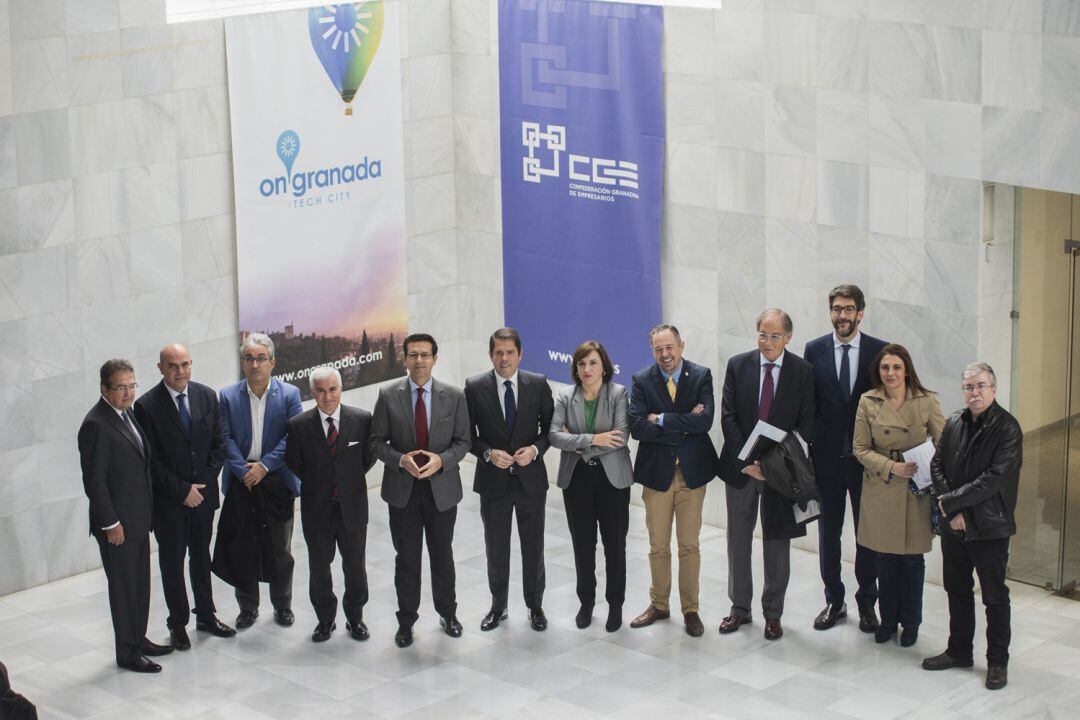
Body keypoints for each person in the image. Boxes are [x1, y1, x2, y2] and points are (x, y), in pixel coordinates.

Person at [716, 309, 814, 641]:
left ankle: (773, 614)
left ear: (788, 337)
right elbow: (728, 417)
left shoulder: (802, 371)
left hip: (779, 476)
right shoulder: (738, 364)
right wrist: (746, 462)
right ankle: (739, 609)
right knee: (738, 542)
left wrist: (777, 465)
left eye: (774, 336)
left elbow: (805, 421)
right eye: (762, 334)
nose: (767, 343)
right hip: (742, 469)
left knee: (776, 544)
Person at [924, 362, 1022, 691]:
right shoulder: (954, 421)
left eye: (980, 386)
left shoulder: (1008, 428)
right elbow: (937, 464)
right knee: (957, 590)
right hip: (955, 526)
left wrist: (952, 503)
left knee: (994, 597)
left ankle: (997, 662)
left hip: (990, 528)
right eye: (969, 387)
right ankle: (959, 651)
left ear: (994, 389)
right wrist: (951, 510)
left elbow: (993, 479)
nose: (974, 392)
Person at [369, 333, 471, 648]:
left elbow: (464, 442)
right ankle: (406, 622)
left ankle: (448, 613)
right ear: (405, 359)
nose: (419, 361)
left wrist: (443, 460)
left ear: (435, 359)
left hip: (442, 491)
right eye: (413, 355)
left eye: (425, 355)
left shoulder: (453, 396)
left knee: (443, 556)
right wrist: (401, 460)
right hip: (404, 493)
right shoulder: (388, 395)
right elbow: (375, 442)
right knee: (407, 559)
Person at [134, 344, 235, 651]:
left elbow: (219, 446)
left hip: (203, 498)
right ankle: (177, 623)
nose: (180, 371)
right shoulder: (146, 406)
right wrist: (182, 491)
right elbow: (151, 461)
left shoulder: (207, 395)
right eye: (173, 366)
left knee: (201, 557)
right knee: (172, 562)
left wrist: (200, 488)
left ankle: (206, 615)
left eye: (185, 364)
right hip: (170, 503)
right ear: (161, 368)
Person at [78, 359, 173, 672]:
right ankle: (128, 652)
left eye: (132, 385)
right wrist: (111, 523)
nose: (129, 393)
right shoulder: (96, 424)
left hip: (139, 519)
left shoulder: (127, 414)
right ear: (105, 389)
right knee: (123, 589)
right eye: (121, 387)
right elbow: (95, 482)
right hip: (118, 525)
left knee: (140, 585)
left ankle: (139, 638)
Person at [803, 284, 887, 632]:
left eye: (849, 309)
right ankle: (833, 601)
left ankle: (867, 602)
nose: (843, 315)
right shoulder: (814, 349)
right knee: (829, 535)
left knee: (866, 536)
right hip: (825, 462)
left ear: (860, 313)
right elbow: (808, 403)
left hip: (865, 462)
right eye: (837, 308)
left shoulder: (879, 351)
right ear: (831, 312)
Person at [628, 324, 717, 638]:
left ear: (682, 345)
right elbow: (638, 427)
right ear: (652, 351)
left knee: (689, 546)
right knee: (657, 546)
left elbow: (705, 421)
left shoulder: (702, 375)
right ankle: (660, 604)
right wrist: (684, 423)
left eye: (670, 348)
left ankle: (690, 610)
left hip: (691, 476)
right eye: (658, 350)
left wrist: (662, 419)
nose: (665, 355)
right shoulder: (641, 380)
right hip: (657, 476)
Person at [852, 344, 945, 647]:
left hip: (917, 488)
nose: (890, 373)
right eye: (885, 368)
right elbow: (860, 448)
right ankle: (888, 620)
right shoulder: (869, 401)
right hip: (883, 485)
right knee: (886, 558)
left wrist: (927, 468)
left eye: (896, 367)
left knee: (913, 560)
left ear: (907, 370)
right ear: (878, 371)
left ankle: (912, 622)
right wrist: (892, 466)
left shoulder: (926, 400)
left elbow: (944, 443)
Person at [464, 328, 555, 632]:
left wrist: (535, 449)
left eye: (509, 352)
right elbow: (466, 438)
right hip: (494, 483)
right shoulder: (475, 387)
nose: (504, 358)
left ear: (520, 354)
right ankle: (497, 606)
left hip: (530, 481)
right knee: (496, 547)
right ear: (491, 355)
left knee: (533, 547)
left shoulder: (538, 384)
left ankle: (535, 607)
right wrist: (489, 454)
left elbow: (550, 431)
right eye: (498, 353)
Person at [218, 333, 302, 630]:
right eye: (249, 358)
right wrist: (244, 471)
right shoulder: (227, 396)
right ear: (242, 363)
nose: (255, 364)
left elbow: (292, 436)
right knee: (244, 546)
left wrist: (264, 466)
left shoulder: (290, 394)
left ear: (272, 362)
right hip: (242, 481)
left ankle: (283, 606)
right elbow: (224, 438)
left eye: (261, 358)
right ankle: (247, 607)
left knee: (280, 548)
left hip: (276, 480)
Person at [550, 340, 634, 632]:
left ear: (604, 366)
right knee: (583, 545)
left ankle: (616, 605)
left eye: (593, 363)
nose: (587, 369)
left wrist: (577, 441)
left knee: (615, 545)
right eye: (581, 364)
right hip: (577, 481)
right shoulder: (564, 396)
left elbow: (620, 437)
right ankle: (586, 603)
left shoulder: (619, 393)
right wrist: (594, 439)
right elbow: (553, 437)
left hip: (613, 481)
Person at [286, 367, 375, 643]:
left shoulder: (361, 420)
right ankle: (325, 620)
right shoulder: (299, 425)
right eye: (321, 391)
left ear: (341, 389)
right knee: (319, 568)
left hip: (352, 509)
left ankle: (355, 617)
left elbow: (367, 458)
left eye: (332, 389)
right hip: (317, 510)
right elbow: (295, 463)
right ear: (312, 393)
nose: (327, 396)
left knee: (355, 566)